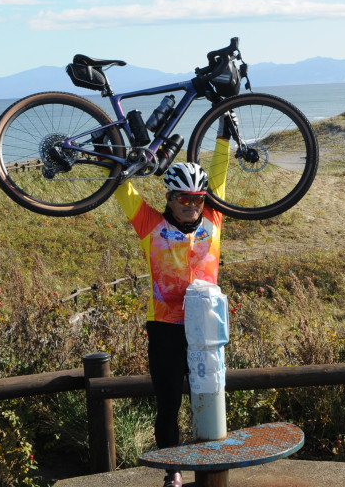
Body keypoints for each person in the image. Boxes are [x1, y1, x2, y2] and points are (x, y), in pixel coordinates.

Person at [113, 129, 231, 487]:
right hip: (165, 326)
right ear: (170, 198)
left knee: (210, 398)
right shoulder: (151, 225)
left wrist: (224, 132)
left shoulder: (214, 218)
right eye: (183, 198)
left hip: (207, 327)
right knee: (168, 404)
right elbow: (121, 186)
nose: (191, 206)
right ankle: (173, 472)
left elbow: (220, 172)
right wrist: (112, 150)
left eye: (197, 199)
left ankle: (210, 469)